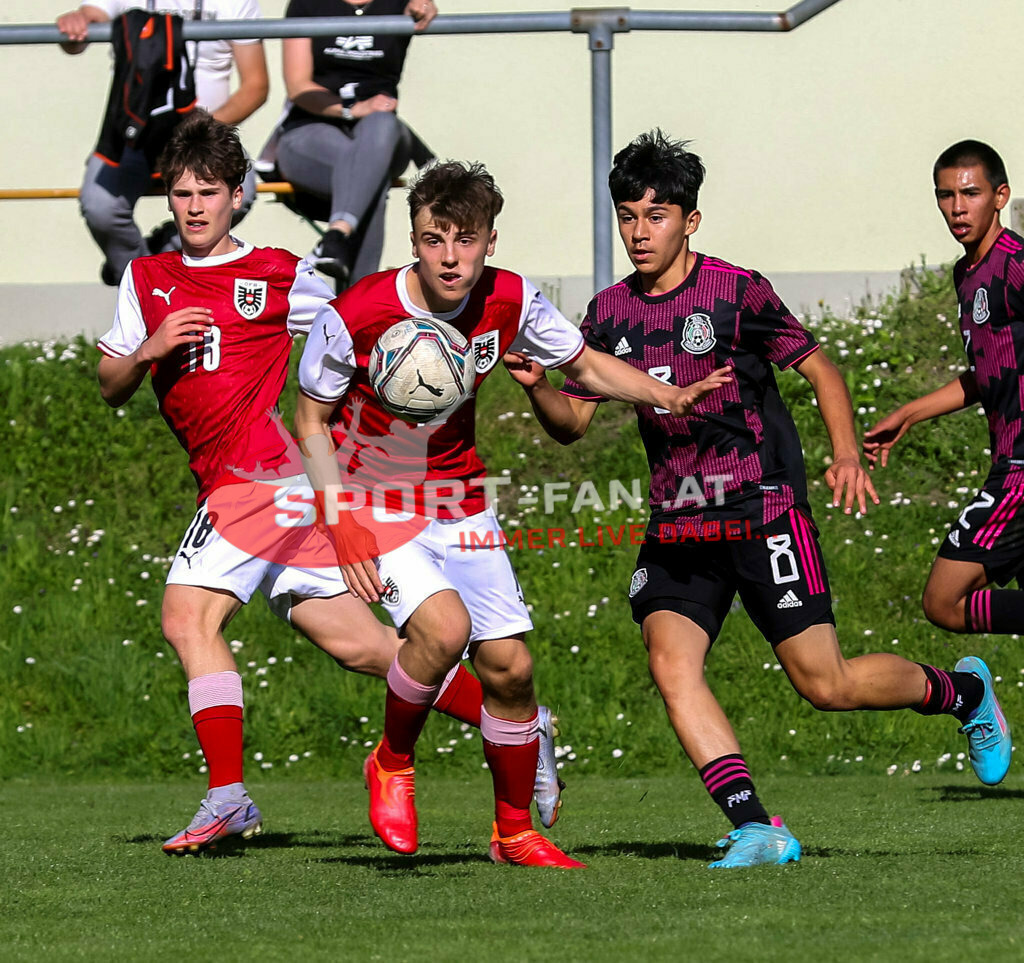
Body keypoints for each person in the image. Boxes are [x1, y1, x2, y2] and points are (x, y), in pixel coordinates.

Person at [504, 129, 1011, 869]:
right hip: (679, 520)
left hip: (763, 509)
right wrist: (541, 387)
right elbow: (571, 427)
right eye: (628, 216)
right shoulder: (609, 314)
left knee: (826, 684)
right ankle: (755, 825)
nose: (639, 232)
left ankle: (962, 694)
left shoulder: (737, 292)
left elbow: (822, 371)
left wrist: (843, 453)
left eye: (657, 215)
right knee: (671, 664)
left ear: (690, 221)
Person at [95, 113, 561, 855]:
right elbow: (111, 381)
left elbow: (356, 323)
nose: (193, 207)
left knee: (188, 619)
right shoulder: (146, 278)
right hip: (254, 485)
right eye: (180, 193)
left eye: (208, 192)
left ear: (238, 195)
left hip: (259, 477)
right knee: (371, 648)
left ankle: (227, 798)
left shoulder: (278, 272)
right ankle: (520, 723)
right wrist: (148, 348)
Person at [293, 159, 732, 868]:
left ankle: (513, 831)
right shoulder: (358, 314)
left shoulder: (509, 300)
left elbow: (584, 365)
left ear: (490, 241)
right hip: (376, 502)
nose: (450, 256)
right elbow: (310, 415)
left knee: (512, 669)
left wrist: (669, 395)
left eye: (466, 239)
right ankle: (392, 761)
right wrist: (338, 518)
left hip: (460, 502)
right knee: (444, 631)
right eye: (434, 239)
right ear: (413, 239)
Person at [866, 142, 1024, 656]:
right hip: (1008, 459)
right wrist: (909, 414)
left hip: (1021, 469)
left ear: (1000, 196)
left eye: (971, 193)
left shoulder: (1016, 265)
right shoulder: (967, 275)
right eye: (946, 195)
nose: (957, 207)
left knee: (944, 601)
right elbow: (988, 371)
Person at [57, 0, 270, 285]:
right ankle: (141, 279)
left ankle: (159, 257)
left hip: (203, 134)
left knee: (239, 197)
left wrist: (200, 131)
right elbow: (84, 29)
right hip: (135, 133)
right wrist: (77, 21)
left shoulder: (237, 2)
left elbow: (255, 87)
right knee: (100, 207)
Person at [273, 0, 437, 288]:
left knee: (381, 125)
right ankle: (361, 312)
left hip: (381, 137)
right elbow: (298, 86)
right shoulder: (304, 4)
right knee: (369, 178)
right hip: (311, 131)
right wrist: (351, 108)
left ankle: (338, 233)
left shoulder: (401, 3)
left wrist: (425, 6)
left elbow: (424, 8)